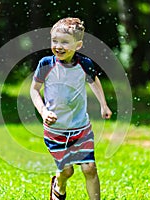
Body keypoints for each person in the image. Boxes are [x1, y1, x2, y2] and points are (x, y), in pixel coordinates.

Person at [30, 17, 112, 200]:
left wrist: (104, 105)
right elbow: (34, 90)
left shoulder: (85, 64)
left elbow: (94, 81)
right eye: (55, 41)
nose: (58, 46)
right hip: (55, 130)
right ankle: (58, 186)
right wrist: (43, 112)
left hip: (81, 128)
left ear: (78, 45)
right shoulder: (46, 64)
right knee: (67, 171)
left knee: (89, 168)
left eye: (65, 42)